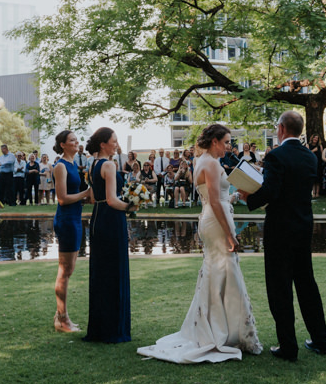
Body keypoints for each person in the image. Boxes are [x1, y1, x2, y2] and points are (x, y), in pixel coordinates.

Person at [139, 124, 262, 363]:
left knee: (217, 273)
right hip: (217, 221)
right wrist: (230, 234)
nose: (229, 146)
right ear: (214, 141)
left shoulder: (201, 161)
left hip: (210, 219)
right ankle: (222, 332)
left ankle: (218, 328)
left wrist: (236, 196)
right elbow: (215, 202)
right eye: (226, 142)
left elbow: (217, 196)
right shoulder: (213, 164)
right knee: (226, 272)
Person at [240, 111, 326, 362]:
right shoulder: (309, 157)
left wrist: (249, 198)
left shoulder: (276, 156)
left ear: (280, 128)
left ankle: (288, 346)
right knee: (307, 285)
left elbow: (270, 191)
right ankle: (321, 340)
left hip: (280, 229)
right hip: (303, 227)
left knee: (279, 287)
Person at [83, 127, 133, 344]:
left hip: (97, 219)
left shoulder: (93, 164)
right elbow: (113, 200)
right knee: (114, 271)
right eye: (114, 140)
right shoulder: (110, 165)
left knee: (101, 272)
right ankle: (114, 329)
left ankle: (99, 328)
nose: (116, 144)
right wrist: (131, 206)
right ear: (103, 144)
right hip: (112, 219)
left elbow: (95, 198)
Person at [50, 131, 92, 332]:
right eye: (72, 140)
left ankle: (61, 316)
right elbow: (62, 198)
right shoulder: (60, 166)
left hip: (75, 218)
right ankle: (62, 319)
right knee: (65, 271)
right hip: (66, 220)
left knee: (69, 270)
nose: (77, 142)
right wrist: (86, 193)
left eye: (77, 140)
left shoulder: (74, 164)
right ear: (63, 145)